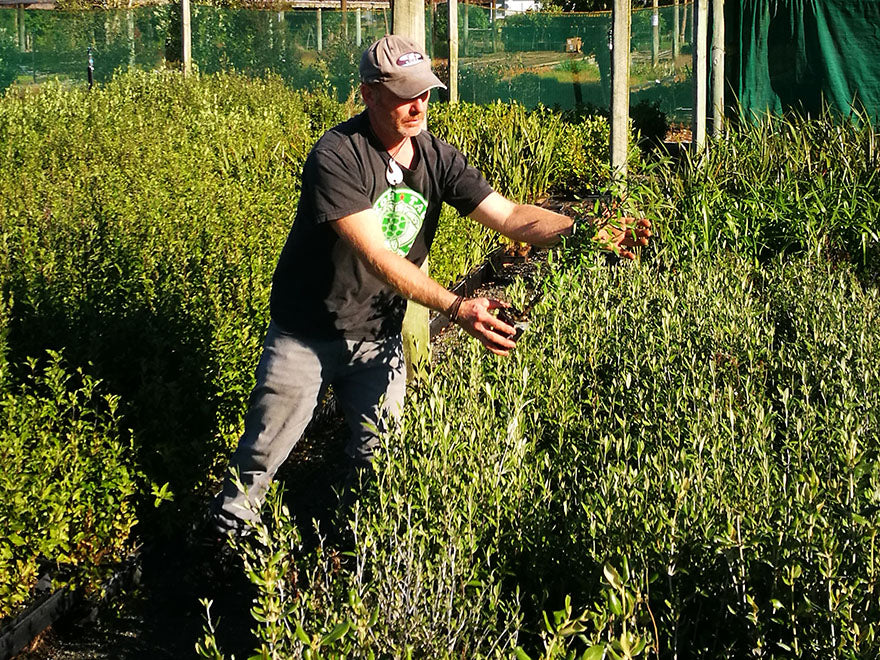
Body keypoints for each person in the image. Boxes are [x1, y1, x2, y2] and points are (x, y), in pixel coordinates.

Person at [210, 34, 651, 536]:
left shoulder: (437, 158)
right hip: (308, 332)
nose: (418, 105)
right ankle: (227, 539)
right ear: (369, 94)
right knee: (263, 453)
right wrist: (458, 307)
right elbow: (379, 256)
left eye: (424, 92)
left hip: (377, 335)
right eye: (404, 95)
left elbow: (508, 215)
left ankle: (353, 543)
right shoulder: (337, 156)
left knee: (381, 454)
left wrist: (585, 230)